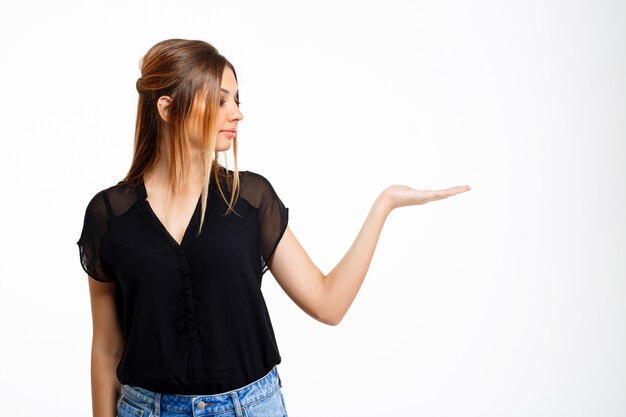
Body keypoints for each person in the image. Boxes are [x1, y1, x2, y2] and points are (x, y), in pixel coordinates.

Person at [77, 38, 470, 417]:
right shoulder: (110, 216)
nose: (236, 113)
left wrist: (383, 205)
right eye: (219, 100)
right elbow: (107, 349)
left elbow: (328, 304)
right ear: (167, 108)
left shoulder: (250, 199)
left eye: (236, 99)